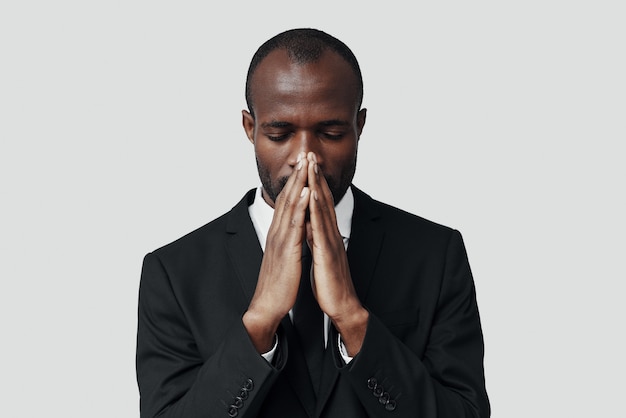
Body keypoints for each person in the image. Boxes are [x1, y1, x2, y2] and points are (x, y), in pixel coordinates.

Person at [136, 28, 490, 418]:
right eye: (279, 133)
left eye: (331, 133)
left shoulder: (435, 256)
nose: (306, 157)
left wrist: (353, 320)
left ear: (360, 126)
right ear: (250, 129)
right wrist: (259, 321)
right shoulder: (172, 272)